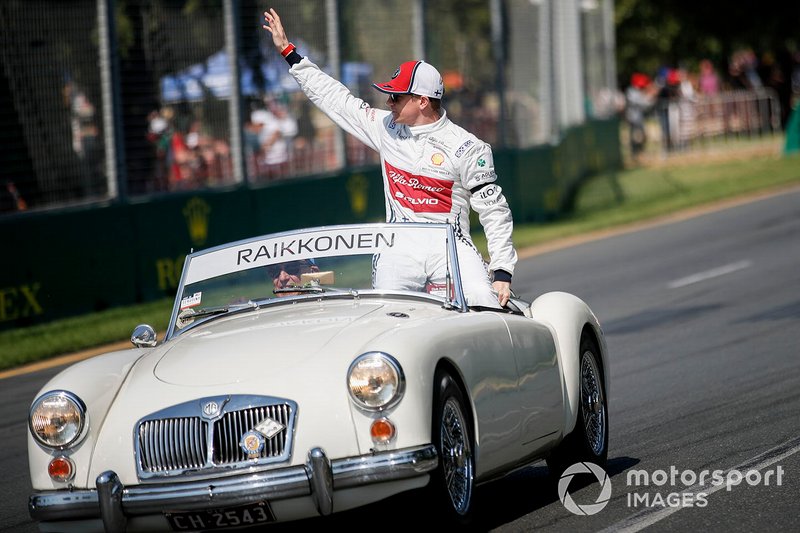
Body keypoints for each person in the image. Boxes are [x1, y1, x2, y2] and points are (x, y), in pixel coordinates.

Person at [262, 9, 517, 309]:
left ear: (422, 101)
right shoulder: (385, 127)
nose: (388, 102)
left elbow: (494, 210)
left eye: (396, 96)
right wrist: (290, 53)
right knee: (384, 311)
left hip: (450, 245)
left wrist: (501, 270)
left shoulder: (467, 147)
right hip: (398, 245)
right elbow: (337, 100)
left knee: (483, 302)